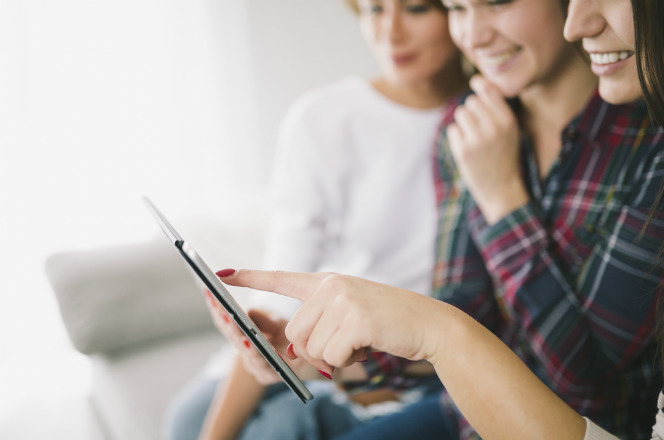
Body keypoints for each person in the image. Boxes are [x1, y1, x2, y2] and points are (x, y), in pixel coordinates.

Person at [212, 0, 664, 439]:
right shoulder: (467, 122)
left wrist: (503, 200)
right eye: (458, 8)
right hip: (463, 415)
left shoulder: (648, 142)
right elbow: (461, 314)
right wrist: (314, 356)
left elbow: (583, 380)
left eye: (497, 2)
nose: (474, 35)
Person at [161, 1, 468, 439]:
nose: (390, 32)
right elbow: (291, 269)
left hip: (392, 362)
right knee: (187, 421)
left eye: (417, 9)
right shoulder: (324, 117)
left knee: (281, 428)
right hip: (310, 339)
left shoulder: (485, 122)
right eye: (374, 9)